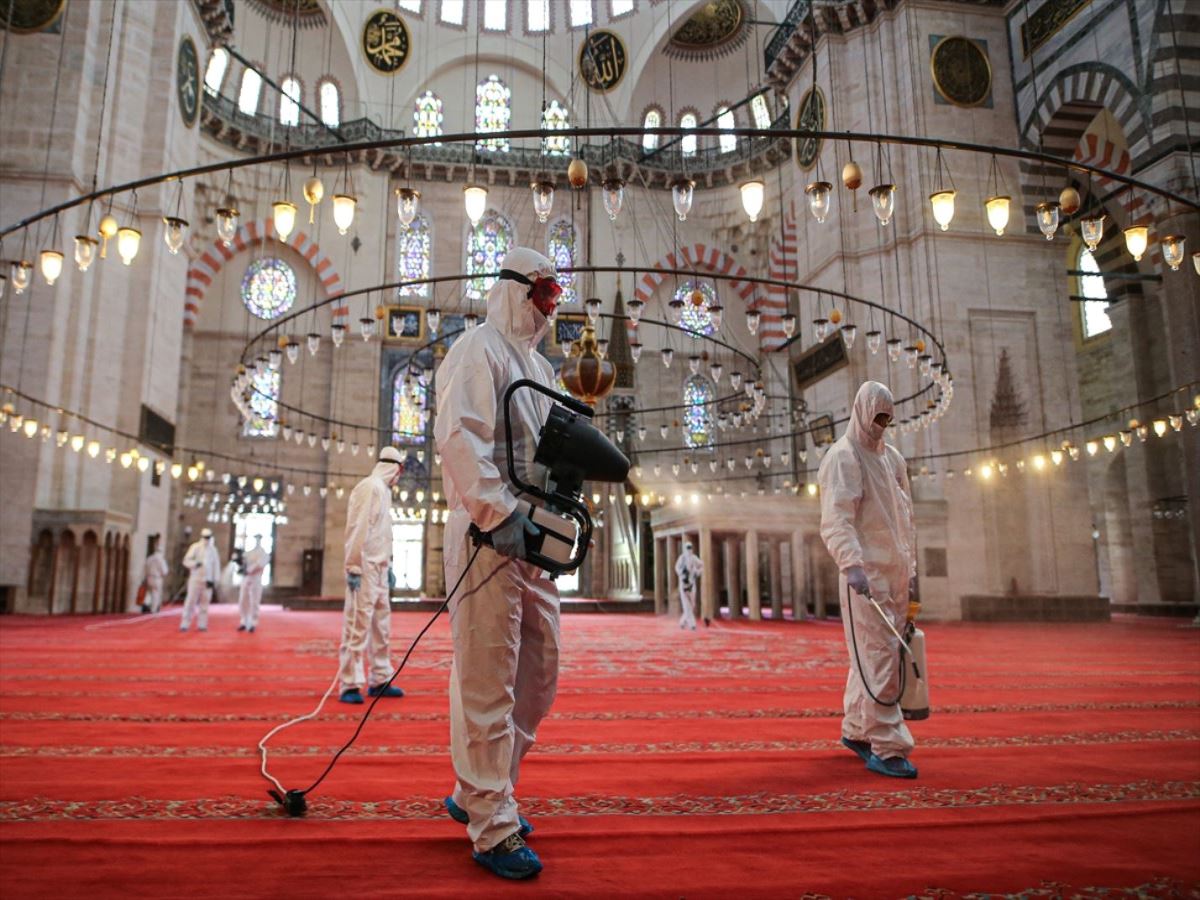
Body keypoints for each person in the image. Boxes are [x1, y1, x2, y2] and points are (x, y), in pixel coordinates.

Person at [433, 247, 564, 880]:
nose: (548, 307)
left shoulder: (543, 369)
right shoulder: (476, 349)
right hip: (490, 537)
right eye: (542, 293)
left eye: (554, 296)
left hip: (536, 540)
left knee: (538, 675)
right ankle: (491, 824)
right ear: (515, 290)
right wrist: (497, 512)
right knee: (489, 675)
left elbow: (558, 450)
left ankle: (485, 789)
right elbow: (461, 435)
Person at [817, 381, 919, 779]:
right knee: (879, 657)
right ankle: (889, 746)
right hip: (865, 576)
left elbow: (905, 520)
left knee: (879, 655)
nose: (881, 425)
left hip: (894, 575)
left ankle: (857, 729)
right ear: (862, 411)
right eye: (877, 416)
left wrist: (910, 575)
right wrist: (852, 564)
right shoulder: (843, 458)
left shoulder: (892, 460)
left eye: (887, 419)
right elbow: (837, 518)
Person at [338, 446, 406, 705]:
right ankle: (350, 683)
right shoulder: (370, 487)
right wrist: (353, 565)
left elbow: (382, 535)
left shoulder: (385, 492)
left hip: (380, 570)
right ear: (393, 468)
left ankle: (380, 678)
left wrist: (389, 566)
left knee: (381, 626)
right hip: (364, 568)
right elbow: (358, 528)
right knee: (358, 625)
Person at [180, 528, 220, 632]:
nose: (207, 539)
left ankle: (202, 624)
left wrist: (215, 580)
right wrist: (195, 564)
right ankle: (185, 623)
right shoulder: (195, 547)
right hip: (195, 579)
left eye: (208, 537)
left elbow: (216, 566)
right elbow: (186, 560)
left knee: (205, 603)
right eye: (205, 537)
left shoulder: (213, 550)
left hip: (207, 580)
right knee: (190, 602)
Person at [238, 535, 269, 633]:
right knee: (243, 599)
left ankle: (252, 622)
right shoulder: (248, 553)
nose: (256, 542)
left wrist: (249, 570)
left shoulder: (264, 553)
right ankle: (243, 621)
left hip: (256, 578)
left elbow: (259, 565)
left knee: (254, 601)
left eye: (258, 539)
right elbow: (243, 563)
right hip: (246, 578)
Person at [674, 541, 704, 630]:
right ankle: (692, 624)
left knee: (692, 604)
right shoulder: (681, 558)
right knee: (686, 604)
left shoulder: (694, 558)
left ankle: (682, 621)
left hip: (692, 584)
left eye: (690, 547)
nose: (689, 550)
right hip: (683, 585)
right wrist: (682, 573)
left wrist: (697, 572)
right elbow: (676, 568)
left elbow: (701, 565)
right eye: (687, 548)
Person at [142, 536, 168, 614]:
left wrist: (146, 576)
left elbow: (145, 568)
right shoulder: (161, 559)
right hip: (157, 578)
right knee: (156, 593)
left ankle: (146, 604)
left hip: (149, 577)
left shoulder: (149, 558)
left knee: (149, 592)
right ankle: (153, 609)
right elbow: (165, 571)